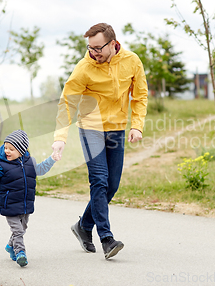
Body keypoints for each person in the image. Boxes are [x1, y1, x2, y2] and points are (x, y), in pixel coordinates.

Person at [52, 23, 148, 259]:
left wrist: (137, 125)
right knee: (99, 181)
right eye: (90, 47)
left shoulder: (132, 61)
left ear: (113, 44)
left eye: (98, 48)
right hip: (91, 129)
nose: (93, 52)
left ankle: (84, 226)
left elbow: (140, 95)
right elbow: (67, 103)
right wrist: (60, 138)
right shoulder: (84, 68)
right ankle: (107, 239)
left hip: (116, 129)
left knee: (112, 185)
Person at [0, 130, 58, 267]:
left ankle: (10, 246)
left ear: (21, 150)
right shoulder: (2, 165)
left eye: (11, 149)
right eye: (5, 147)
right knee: (18, 230)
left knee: (23, 227)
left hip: (25, 203)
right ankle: (20, 252)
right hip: (9, 204)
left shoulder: (30, 162)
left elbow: (41, 169)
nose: (7, 151)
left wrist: (52, 159)